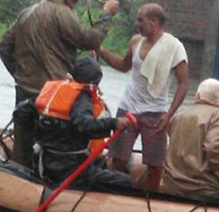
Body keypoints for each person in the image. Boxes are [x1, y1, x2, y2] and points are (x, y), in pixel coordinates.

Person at [0, 0, 119, 165]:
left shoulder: (25, 13)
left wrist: (19, 75)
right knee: (54, 147)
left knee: (22, 144)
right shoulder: (63, 14)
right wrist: (106, 15)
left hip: (25, 92)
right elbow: (90, 40)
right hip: (54, 97)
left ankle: (19, 177)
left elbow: (4, 48)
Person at [97, 3, 189, 191]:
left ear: (154, 22)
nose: (136, 23)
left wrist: (169, 114)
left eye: (140, 19)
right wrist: (101, 52)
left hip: (156, 113)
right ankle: (108, 196)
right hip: (128, 107)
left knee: (155, 165)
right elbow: (124, 66)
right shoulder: (136, 41)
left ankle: (150, 203)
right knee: (118, 159)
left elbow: (184, 83)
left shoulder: (174, 47)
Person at [12, 58, 133, 191]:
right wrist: (114, 123)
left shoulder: (52, 94)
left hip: (44, 161)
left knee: (100, 162)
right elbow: (84, 125)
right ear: (94, 83)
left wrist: (34, 138)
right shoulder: (82, 99)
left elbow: (21, 112)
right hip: (69, 170)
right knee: (125, 181)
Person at [160, 78, 219, 203]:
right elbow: (213, 149)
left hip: (172, 184)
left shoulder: (179, 115)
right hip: (200, 188)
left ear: (197, 95)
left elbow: (191, 150)